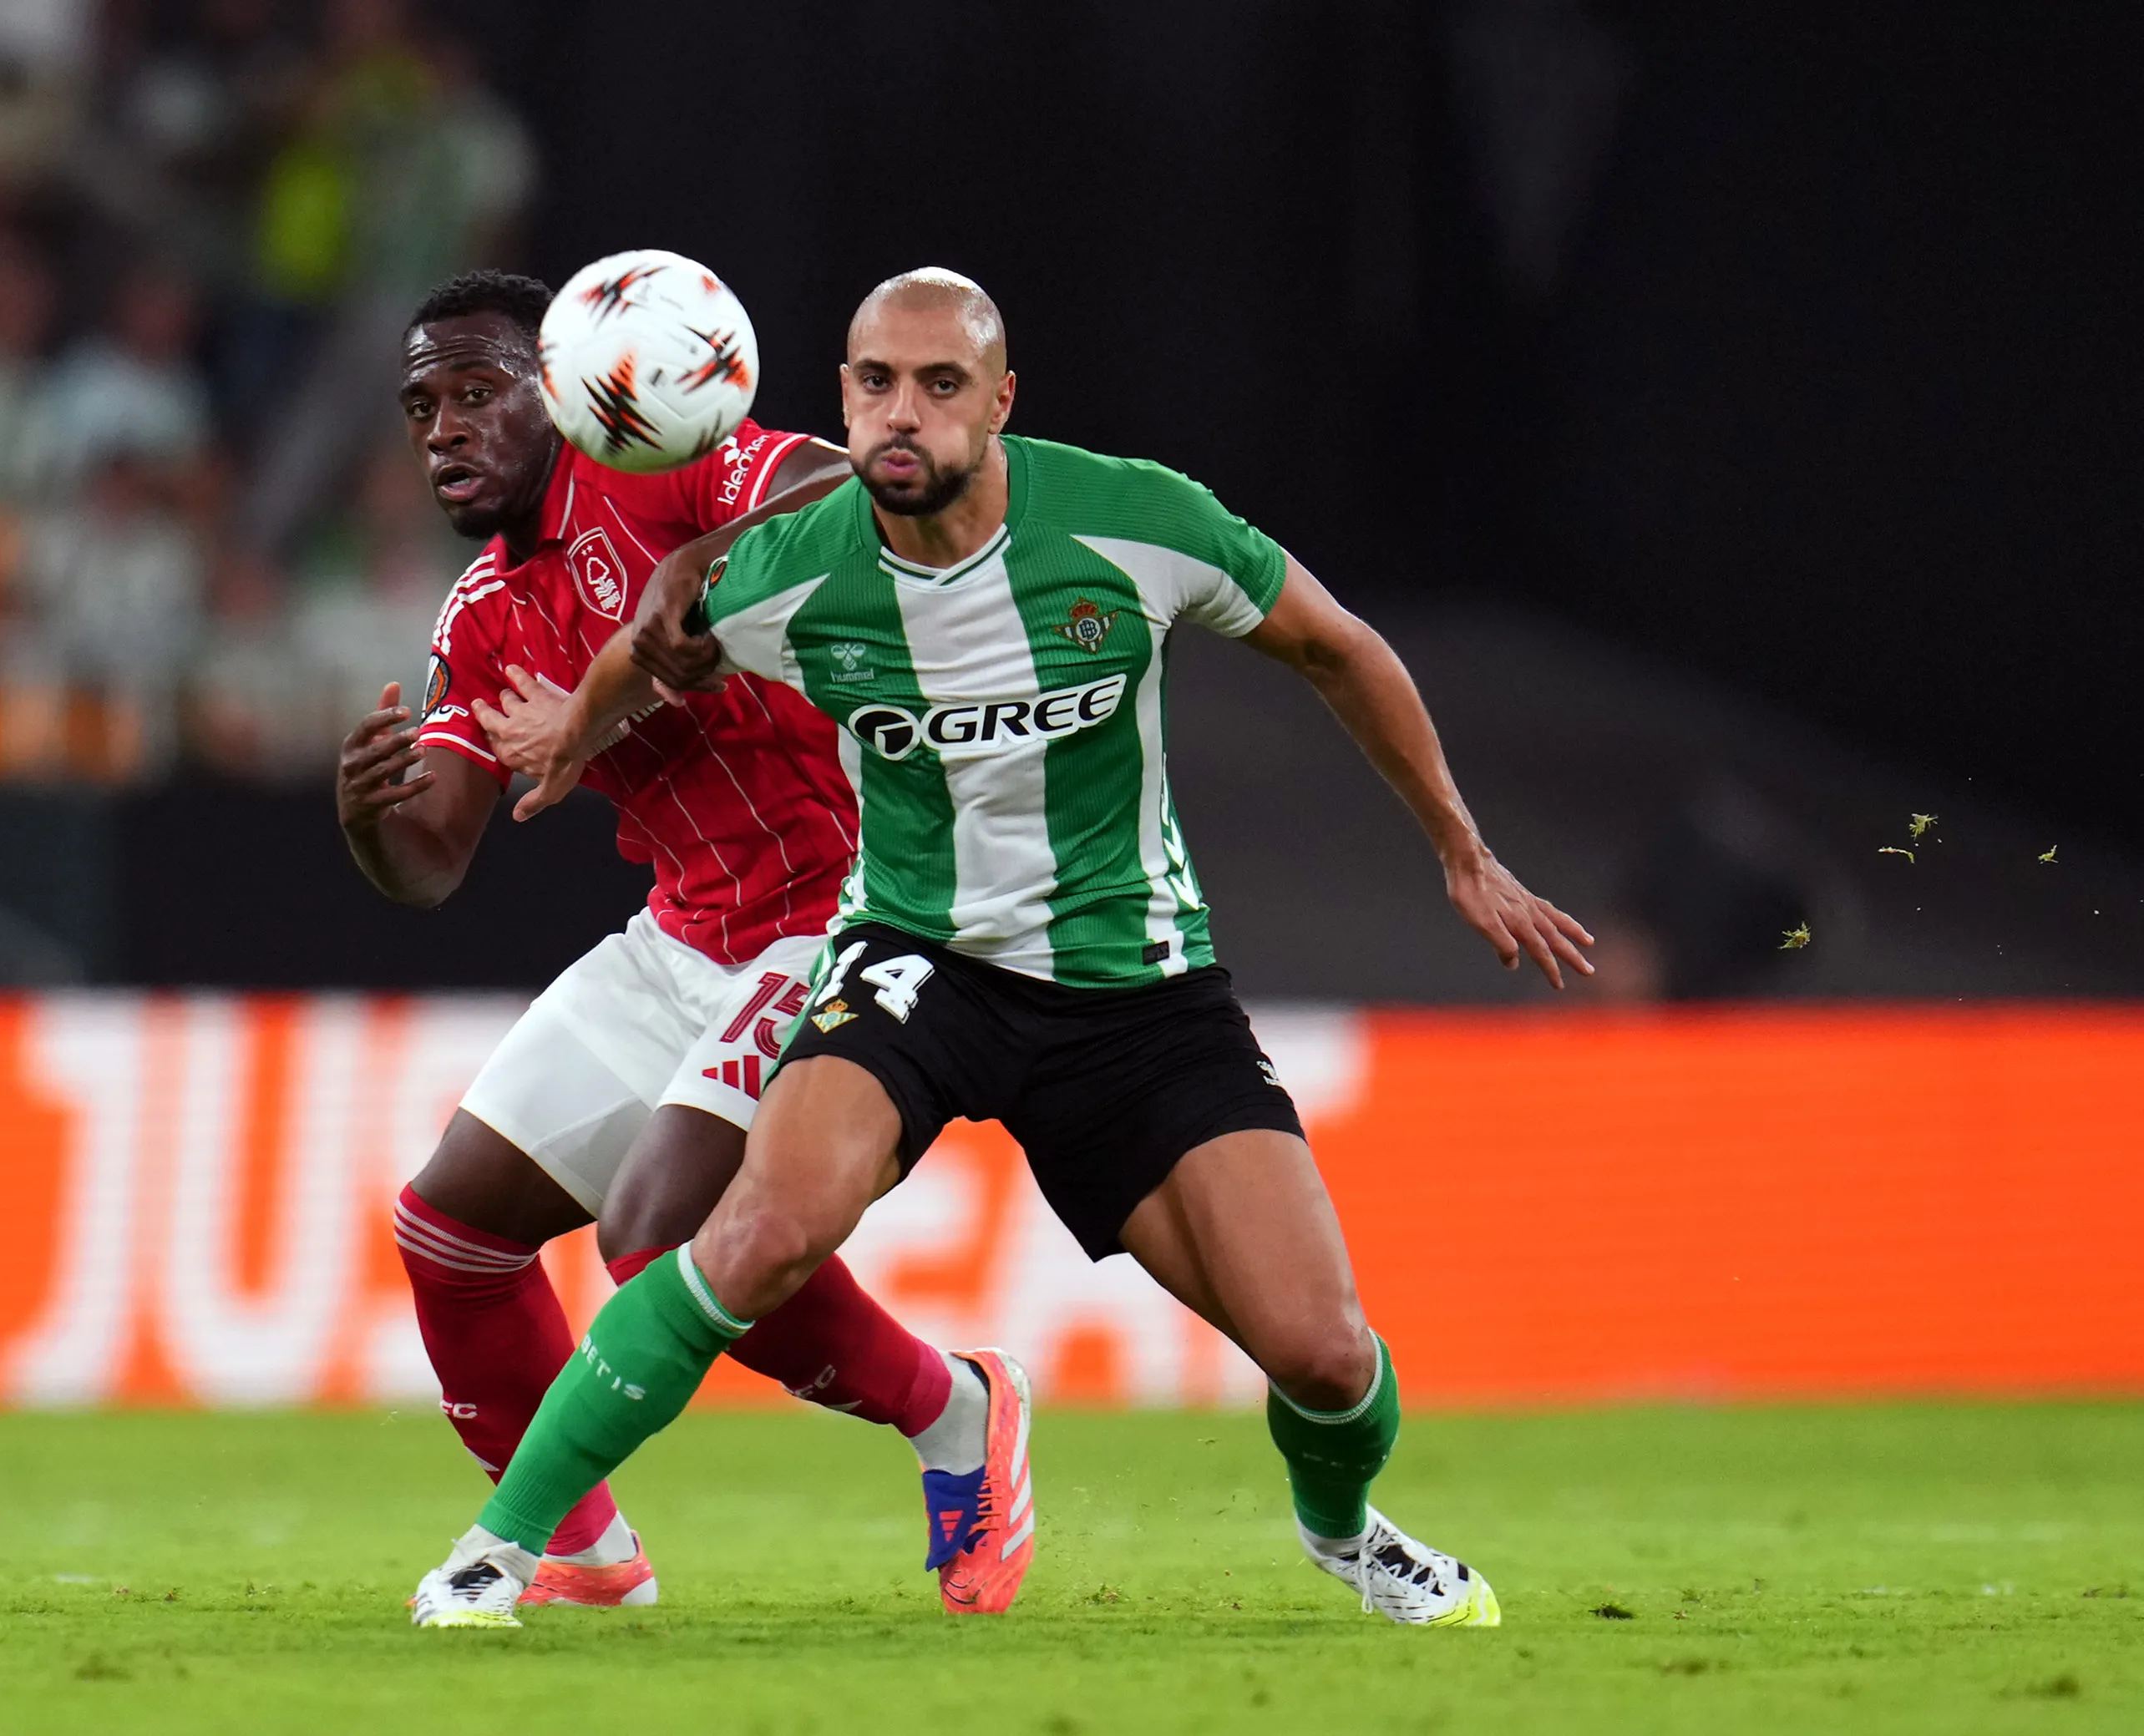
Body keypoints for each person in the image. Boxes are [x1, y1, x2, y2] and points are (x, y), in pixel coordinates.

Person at [433, 268, 1598, 1631]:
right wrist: (579, 727)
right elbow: (653, 642)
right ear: (844, 401)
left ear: (1001, 401)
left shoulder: (1134, 519)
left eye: (938, 385)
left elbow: (1338, 648)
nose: (901, 415)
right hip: (913, 967)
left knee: (1325, 1352)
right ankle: (496, 1551)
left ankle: (1345, 1533)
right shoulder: (798, 572)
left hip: (1135, 992)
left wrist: (1460, 848)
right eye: (874, 384)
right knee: (746, 1234)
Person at [334, 270, 1025, 1627]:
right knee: (449, 1228)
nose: (444, 429)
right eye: (423, 406)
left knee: (656, 1234)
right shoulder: (480, 612)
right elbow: (435, 856)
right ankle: (589, 1545)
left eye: (478, 392)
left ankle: (956, 1411)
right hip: (688, 928)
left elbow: (857, 481)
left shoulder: (675, 465)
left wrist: (686, 580)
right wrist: (368, 817)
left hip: (846, 903)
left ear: (568, 384)